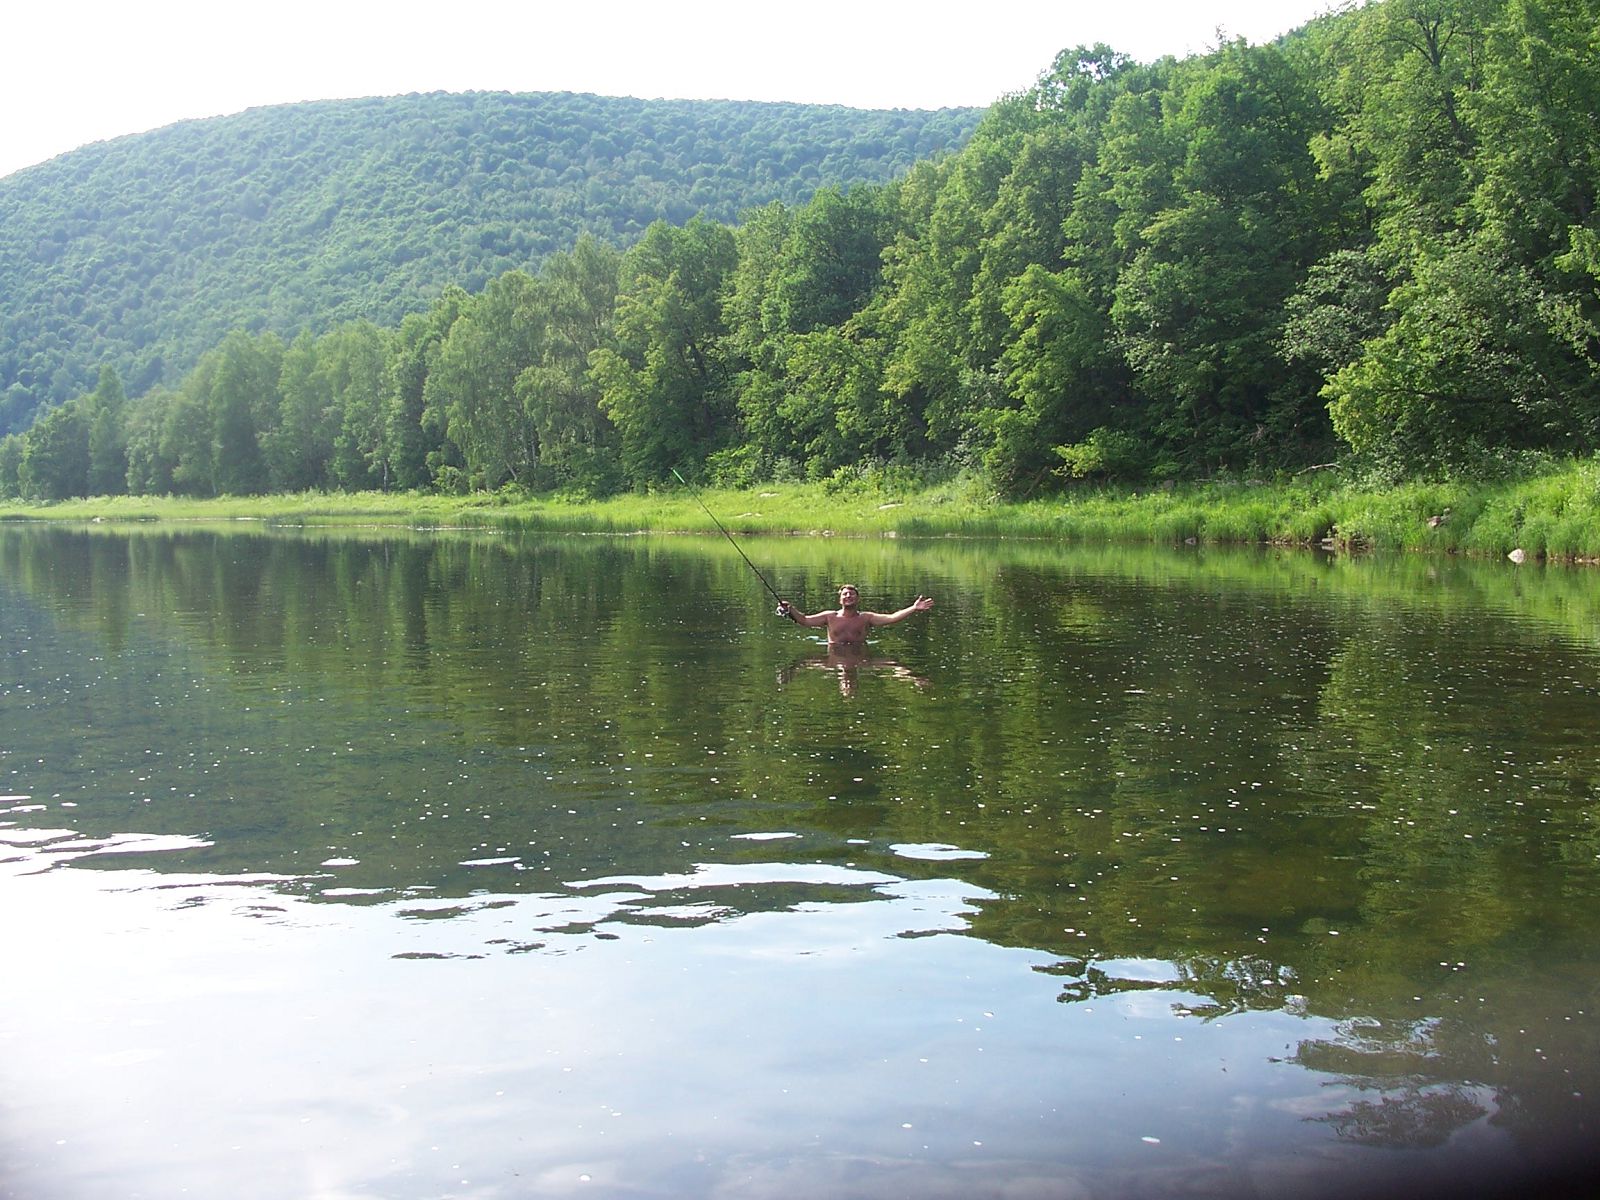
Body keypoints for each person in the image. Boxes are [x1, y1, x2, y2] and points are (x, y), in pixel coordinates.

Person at [776, 584, 933, 645]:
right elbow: (804, 620)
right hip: (834, 652)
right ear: (840, 599)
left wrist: (913, 608)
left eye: (851, 594)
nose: (848, 596)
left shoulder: (866, 618)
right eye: (845, 594)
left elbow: (892, 618)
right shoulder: (829, 617)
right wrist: (790, 609)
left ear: (858, 599)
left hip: (860, 652)